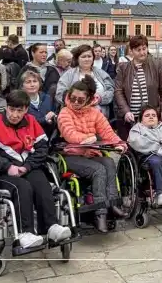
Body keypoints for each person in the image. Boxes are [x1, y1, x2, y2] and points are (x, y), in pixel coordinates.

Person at [0, 90, 72, 248]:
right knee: (22, 187)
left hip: (25, 167)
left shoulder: (31, 121)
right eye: (11, 109)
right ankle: (25, 233)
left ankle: (51, 227)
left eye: (19, 110)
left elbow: (42, 149)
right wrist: (7, 166)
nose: (15, 114)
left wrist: (27, 166)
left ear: (26, 110)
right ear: (6, 107)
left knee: (40, 181)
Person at [57, 77, 128, 233]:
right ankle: (100, 214)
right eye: (73, 98)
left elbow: (107, 132)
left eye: (80, 100)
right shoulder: (64, 113)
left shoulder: (94, 113)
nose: (75, 102)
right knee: (98, 170)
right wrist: (87, 140)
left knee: (108, 162)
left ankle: (113, 204)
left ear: (88, 99)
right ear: (68, 96)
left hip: (90, 153)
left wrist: (119, 143)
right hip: (71, 156)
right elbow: (70, 135)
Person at [114, 35, 162, 140]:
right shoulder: (123, 68)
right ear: (131, 51)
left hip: (150, 117)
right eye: (138, 50)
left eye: (144, 49)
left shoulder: (156, 65)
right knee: (131, 147)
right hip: (131, 118)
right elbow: (118, 91)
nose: (142, 52)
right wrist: (126, 111)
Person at [56, 45, 115, 119]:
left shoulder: (102, 73)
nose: (87, 59)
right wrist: (77, 101)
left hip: (100, 118)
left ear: (93, 58)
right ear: (77, 58)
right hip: (74, 118)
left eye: (89, 56)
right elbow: (59, 93)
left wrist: (100, 99)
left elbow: (111, 91)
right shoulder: (68, 74)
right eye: (83, 57)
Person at [20, 70, 58, 135]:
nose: (32, 85)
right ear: (22, 86)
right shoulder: (19, 101)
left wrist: (52, 119)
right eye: (28, 82)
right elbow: (26, 123)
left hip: (48, 134)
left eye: (35, 81)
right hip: (29, 136)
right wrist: (45, 119)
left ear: (39, 84)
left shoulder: (47, 98)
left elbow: (54, 113)